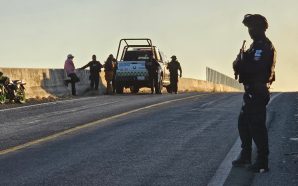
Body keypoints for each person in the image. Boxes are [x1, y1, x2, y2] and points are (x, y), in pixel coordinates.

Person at [232, 14, 276, 173]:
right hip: (251, 90)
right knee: (243, 123)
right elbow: (241, 64)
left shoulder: (263, 46)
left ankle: (262, 161)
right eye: (249, 27)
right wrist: (238, 62)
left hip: (257, 90)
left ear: (261, 28)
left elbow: (255, 68)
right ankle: (246, 155)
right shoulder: (254, 45)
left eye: (253, 27)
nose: (250, 31)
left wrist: (241, 64)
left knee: (257, 126)